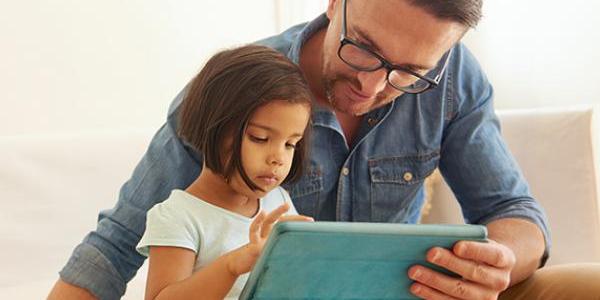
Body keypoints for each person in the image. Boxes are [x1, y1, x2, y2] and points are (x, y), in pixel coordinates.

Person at [48, 1, 600, 299]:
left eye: (411, 73)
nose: (374, 87)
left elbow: (516, 216)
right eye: (364, 51)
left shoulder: (455, 82)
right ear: (336, 2)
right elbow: (120, 242)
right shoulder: (236, 91)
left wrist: (493, 265)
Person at [135, 45, 314, 299]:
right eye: (260, 138)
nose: (278, 158)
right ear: (214, 128)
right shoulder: (179, 217)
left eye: (290, 144)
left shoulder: (278, 202)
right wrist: (233, 265)